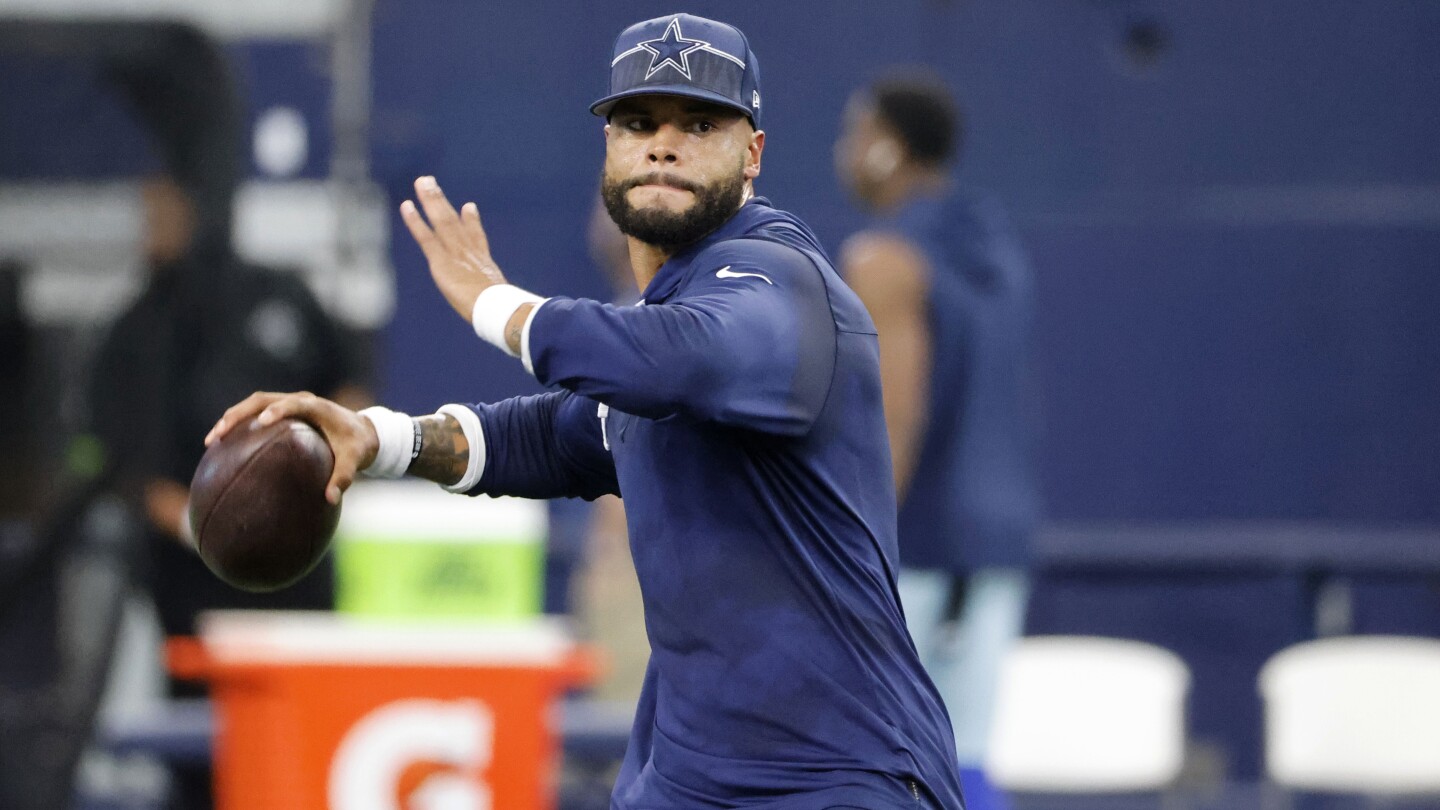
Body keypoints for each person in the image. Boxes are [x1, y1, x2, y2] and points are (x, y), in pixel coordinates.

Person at [207, 14, 966, 810]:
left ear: (753, 155)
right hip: (691, 775)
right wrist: (382, 440)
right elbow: (551, 433)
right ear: (608, 147)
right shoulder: (662, 319)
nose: (663, 145)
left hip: (837, 775)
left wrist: (498, 305)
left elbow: (685, 360)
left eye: (699, 123)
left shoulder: (778, 275)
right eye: (638, 123)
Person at [89, 175, 367, 809]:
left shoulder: (280, 295)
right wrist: (218, 525)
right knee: (207, 766)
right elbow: (127, 466)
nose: (152, 225)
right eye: (145, 210)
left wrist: (322, 465)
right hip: (196, 601)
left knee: (304, 759)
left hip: (304, 585)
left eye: (165, 207)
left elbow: (349, 387)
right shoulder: (136, 332)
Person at [834, 72, 1040, 808]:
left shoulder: (883, 260)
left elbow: (894, 419)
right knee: (969, 755)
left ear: (888, 149)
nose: (844, 152)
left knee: (884, 766)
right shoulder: (996, 247)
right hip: (996, 541)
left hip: (917, 545)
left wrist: (853, 551)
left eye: (854, 134)